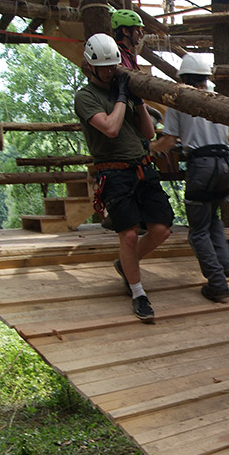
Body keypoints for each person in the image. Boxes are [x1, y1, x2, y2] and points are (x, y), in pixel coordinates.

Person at [74, 33, 173, 323]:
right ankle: (138, 292)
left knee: (161, 229)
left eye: (112, 66)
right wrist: (119, 98)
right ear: (91, 67)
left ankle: (125, 265)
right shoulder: (86, 97)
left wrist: (137, 100)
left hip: (142, 166)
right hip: (113, 172)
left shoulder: (124, 92)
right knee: (128, 234)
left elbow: (148, 133)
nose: (108, 71)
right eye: (103, 67)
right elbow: (111, 128)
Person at [151, 54, 229, 304]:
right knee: (213, 219)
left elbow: (168, 141)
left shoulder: (179, 102)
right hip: (226, 165)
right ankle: (227, 265)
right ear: (205, 79)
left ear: (183, 78)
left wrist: (148, 147)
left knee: (197, 232)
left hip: (203, 168)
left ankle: (218, 285)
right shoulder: (220, 101)